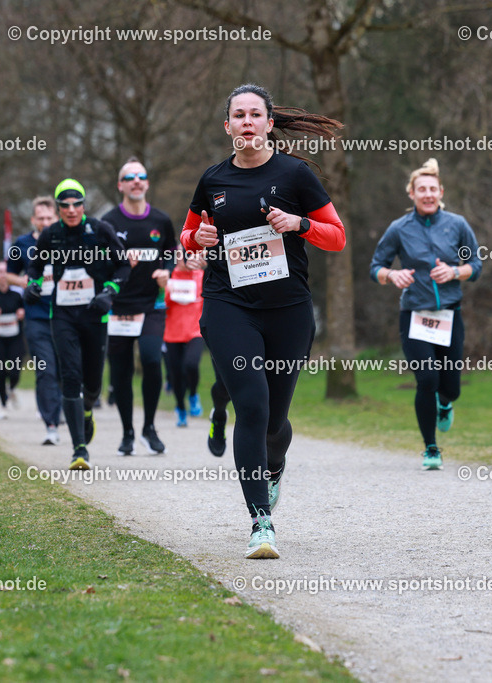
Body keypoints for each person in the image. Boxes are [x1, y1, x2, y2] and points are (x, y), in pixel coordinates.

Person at [182, 83, 346, 559]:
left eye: (256, 114)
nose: (248, 122)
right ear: (228, 126)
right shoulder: (212, 181)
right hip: (229, 305)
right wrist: (200, 238)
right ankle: (260, 521)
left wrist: (299, 225)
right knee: (251, 407)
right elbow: (188, 239)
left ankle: (273, 468)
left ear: (269, 124)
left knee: (275, 421)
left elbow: (336, 237)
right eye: (240, 115)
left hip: (289, 311)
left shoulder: (295, 176)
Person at [369, 158, 483, 470]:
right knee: (426, 378)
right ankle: (431, 448)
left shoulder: (457, 225)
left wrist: (456, 271)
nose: (428, 194)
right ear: (412, 194)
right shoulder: (399, 228)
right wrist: (392, 276)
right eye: (422, 189)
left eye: (433, 189)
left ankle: (445, 404)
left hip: (449, 314)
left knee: (451, 387)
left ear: (441, 192)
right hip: (414, 315)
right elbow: (375, 266)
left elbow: (476, 265)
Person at [25, 178, 130, 470]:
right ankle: (79, 449)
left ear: (83, 205)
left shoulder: (99, 230)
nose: (71, 210)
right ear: (58, 208)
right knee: (70, 376)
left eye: (76, 204)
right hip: (62, 315)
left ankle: (86, 410)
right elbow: (35, 265)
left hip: (94, 313)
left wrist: (110, 291)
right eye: (65, 205)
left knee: (93, 383)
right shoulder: (50, 235)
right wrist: (32, 284)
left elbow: (123, 264)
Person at [102, 158, 177, 455]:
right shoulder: (108, 222)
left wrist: (167, 271)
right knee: (120, 371)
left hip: (151, 305)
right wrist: (116, 263)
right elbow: (98, 262)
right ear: (120, 185)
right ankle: (127, 433)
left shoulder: (160, 220)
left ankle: (148, 427)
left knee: (149, 359)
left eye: (141, 176)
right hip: (119, 307)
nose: (136, 181)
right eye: (129, 177)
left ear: (147, 183)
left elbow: (171, 252)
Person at [7, 196, 62, 445]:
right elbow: (8, 274)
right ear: (33, 220)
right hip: (37, 318)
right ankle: (51, 424)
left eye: (49, 218)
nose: (45, 221)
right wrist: (28, 283)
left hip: (65, 315)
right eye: (40, 218)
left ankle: (65, 410)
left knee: (65, 370)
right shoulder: (22, 244)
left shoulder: (66, 240)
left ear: (56, 218)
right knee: (46, 371)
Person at [164, 252, 205, 427]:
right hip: (172, 333)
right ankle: (181, 408)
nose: (187, 260)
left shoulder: (202, 277)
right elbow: (161, 304)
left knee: (191, 365)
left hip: (195, 332)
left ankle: (194, 394)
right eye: (183, 256)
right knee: (176, 375)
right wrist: (163, 287)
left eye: (190, 256)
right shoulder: (169, 277)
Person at [0, 261, 26, 419]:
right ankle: (3, 405)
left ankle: (12, 388)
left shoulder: (17, 296)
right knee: (1, 372)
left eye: (5, 272)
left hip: (15, 338)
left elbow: (26, 311)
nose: (3, 275)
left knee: (15, 371)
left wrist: (21, 313)